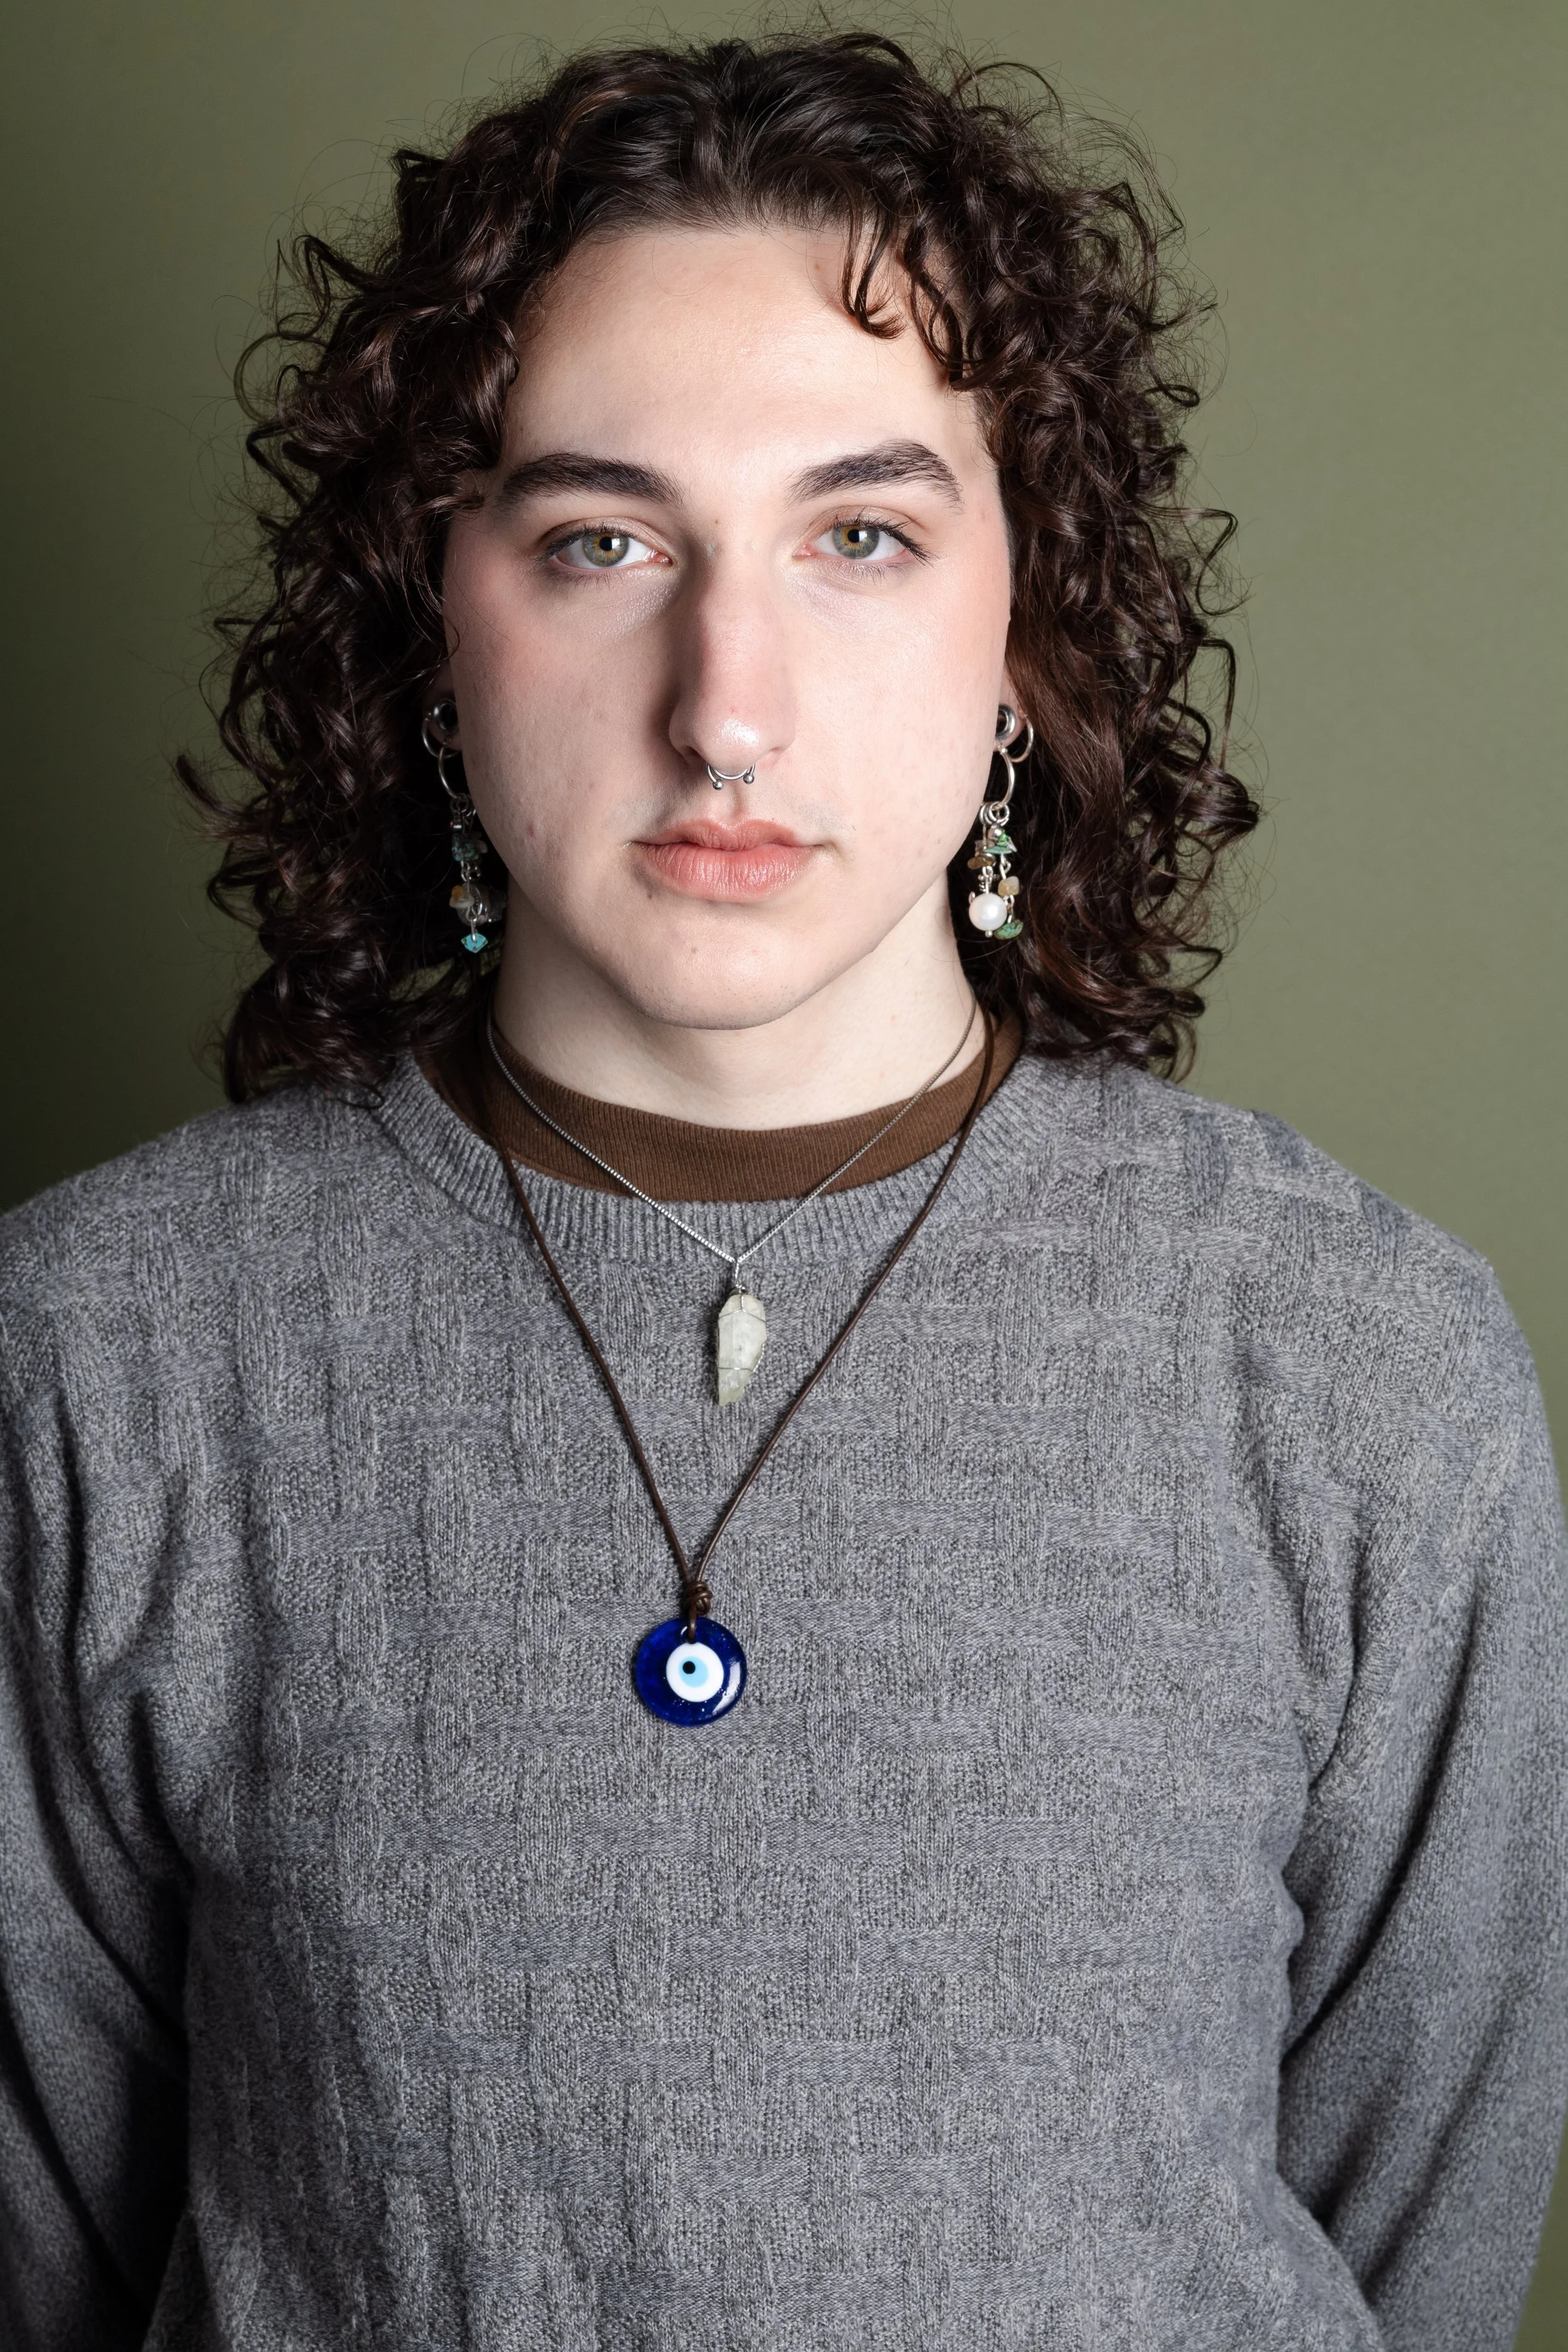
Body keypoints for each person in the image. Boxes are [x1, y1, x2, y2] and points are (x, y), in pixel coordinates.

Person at [1, 31, 1563, 2351]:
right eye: (599, 538)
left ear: (1021, 631)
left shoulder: (1356, 1364)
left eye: (860, 534)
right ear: (439, 625)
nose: (724, 700)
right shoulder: (99, 1354)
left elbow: (1404, 2242)